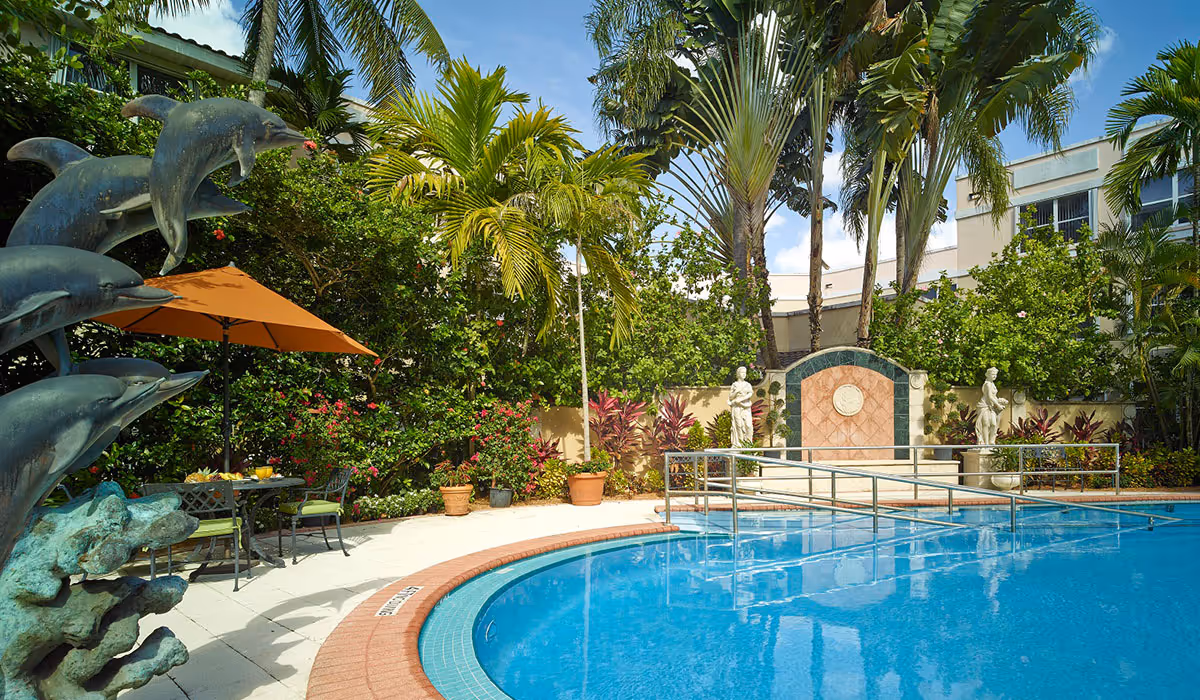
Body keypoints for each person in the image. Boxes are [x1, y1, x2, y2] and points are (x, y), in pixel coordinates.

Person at [975, 367, 1008, 448]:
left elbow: (994, 397)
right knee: (986, 424)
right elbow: (989, 396)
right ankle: (985, 443)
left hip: (991, 406)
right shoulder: (987, 384)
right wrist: (998, 405)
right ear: (988, 375)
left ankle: (991, 441)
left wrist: (1001, 401)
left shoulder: (992, 384)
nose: (994, 376)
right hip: (984, 406)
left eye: (995, 375)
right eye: (993, 374)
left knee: (993, 424)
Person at [728, 366, 753, 447]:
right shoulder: (734, 385)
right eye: (742, 372)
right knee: (738, 425)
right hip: (736, 408)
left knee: (748, 425)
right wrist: (736, 392)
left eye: (745, 373)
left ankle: (748, 444)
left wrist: (742, 399)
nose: (744, 374)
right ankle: (739, 444)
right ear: (738, 374)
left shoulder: (747, 384)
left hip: (745, 407)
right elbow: (731, 397)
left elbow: (750, 393)